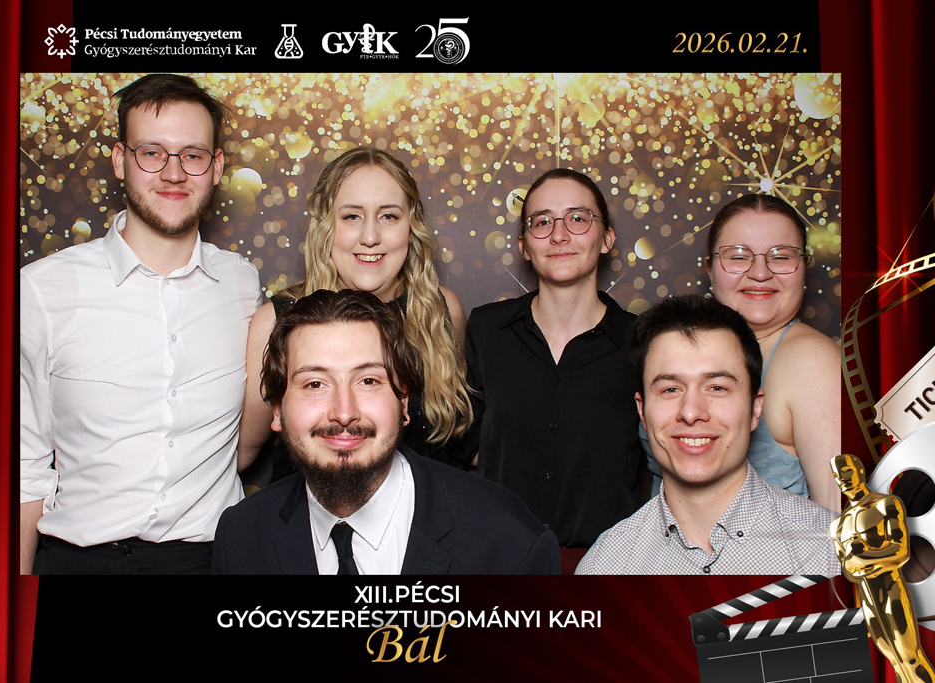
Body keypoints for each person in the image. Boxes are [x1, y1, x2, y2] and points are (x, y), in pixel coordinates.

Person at [19, 74, 261, 574]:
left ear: (217, 167)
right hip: (82, 563)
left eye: (192, 155)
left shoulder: (242, 285)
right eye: (152, 152)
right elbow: (24, 470)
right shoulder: (42, 290)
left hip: (212, 561)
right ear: (120, 160)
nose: (173, 173)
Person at [211, 290, 560, 575]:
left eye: (368, 381)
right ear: (277, 410)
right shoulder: (240, 536)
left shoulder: (509, 541)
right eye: (315, 384)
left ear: (403, 402)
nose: (344, 412)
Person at [238, 147, 472, 478]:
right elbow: (241, 454)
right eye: (352, 216)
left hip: (427, 510)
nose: (371, 237)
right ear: (325, 226)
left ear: (411, 226)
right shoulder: (276, 322)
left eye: (388, 216)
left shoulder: (441, 311)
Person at [463, 168, 646, 571]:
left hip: (609, 566)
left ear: (607, 238)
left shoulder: (642, 343)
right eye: (542, 221)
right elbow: (464, 442)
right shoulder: (487, 330)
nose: (559, 235)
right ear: (524, 246)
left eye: (577, 218)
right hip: (499, 561)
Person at [576, 296, 839, 575]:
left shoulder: (831, 551)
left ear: (755, 408)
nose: (691, 412)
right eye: (670, 389)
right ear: (642, 411)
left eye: (717, 388)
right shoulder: (604, 565)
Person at [706, 193, 840, 512]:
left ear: (803, 267)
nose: (760, 273)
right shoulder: (687, 346)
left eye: (780, 257)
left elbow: (839, 517)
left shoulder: (812, 362)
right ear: (710, 268)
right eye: (738, 256)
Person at [830, 454, 935, 682]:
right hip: (868, 599)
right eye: (837, 475)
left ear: (859, 470)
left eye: (846, 471)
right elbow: (847, 569)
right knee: (895, 662)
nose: (842, 479)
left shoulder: (885, 504)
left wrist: (862, 557)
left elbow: (900, 551)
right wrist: (865, 559)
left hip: (891, 589)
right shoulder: (838, 525)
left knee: (910, 657)